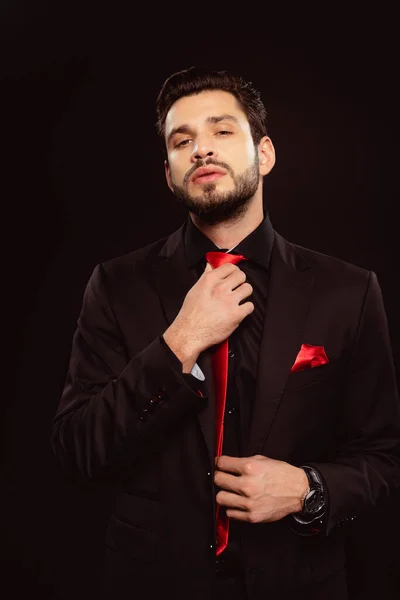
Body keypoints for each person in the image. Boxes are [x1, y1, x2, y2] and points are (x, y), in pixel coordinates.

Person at [50, 66, 400, 600]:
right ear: (169, 174)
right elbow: (78, 451)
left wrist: (310, 490)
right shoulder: (116, 286)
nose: (201, 149)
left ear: (264, 154)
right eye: (182, 140)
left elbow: (384, 455)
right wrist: (180, 341)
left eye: (221, 131)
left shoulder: (347, 291)